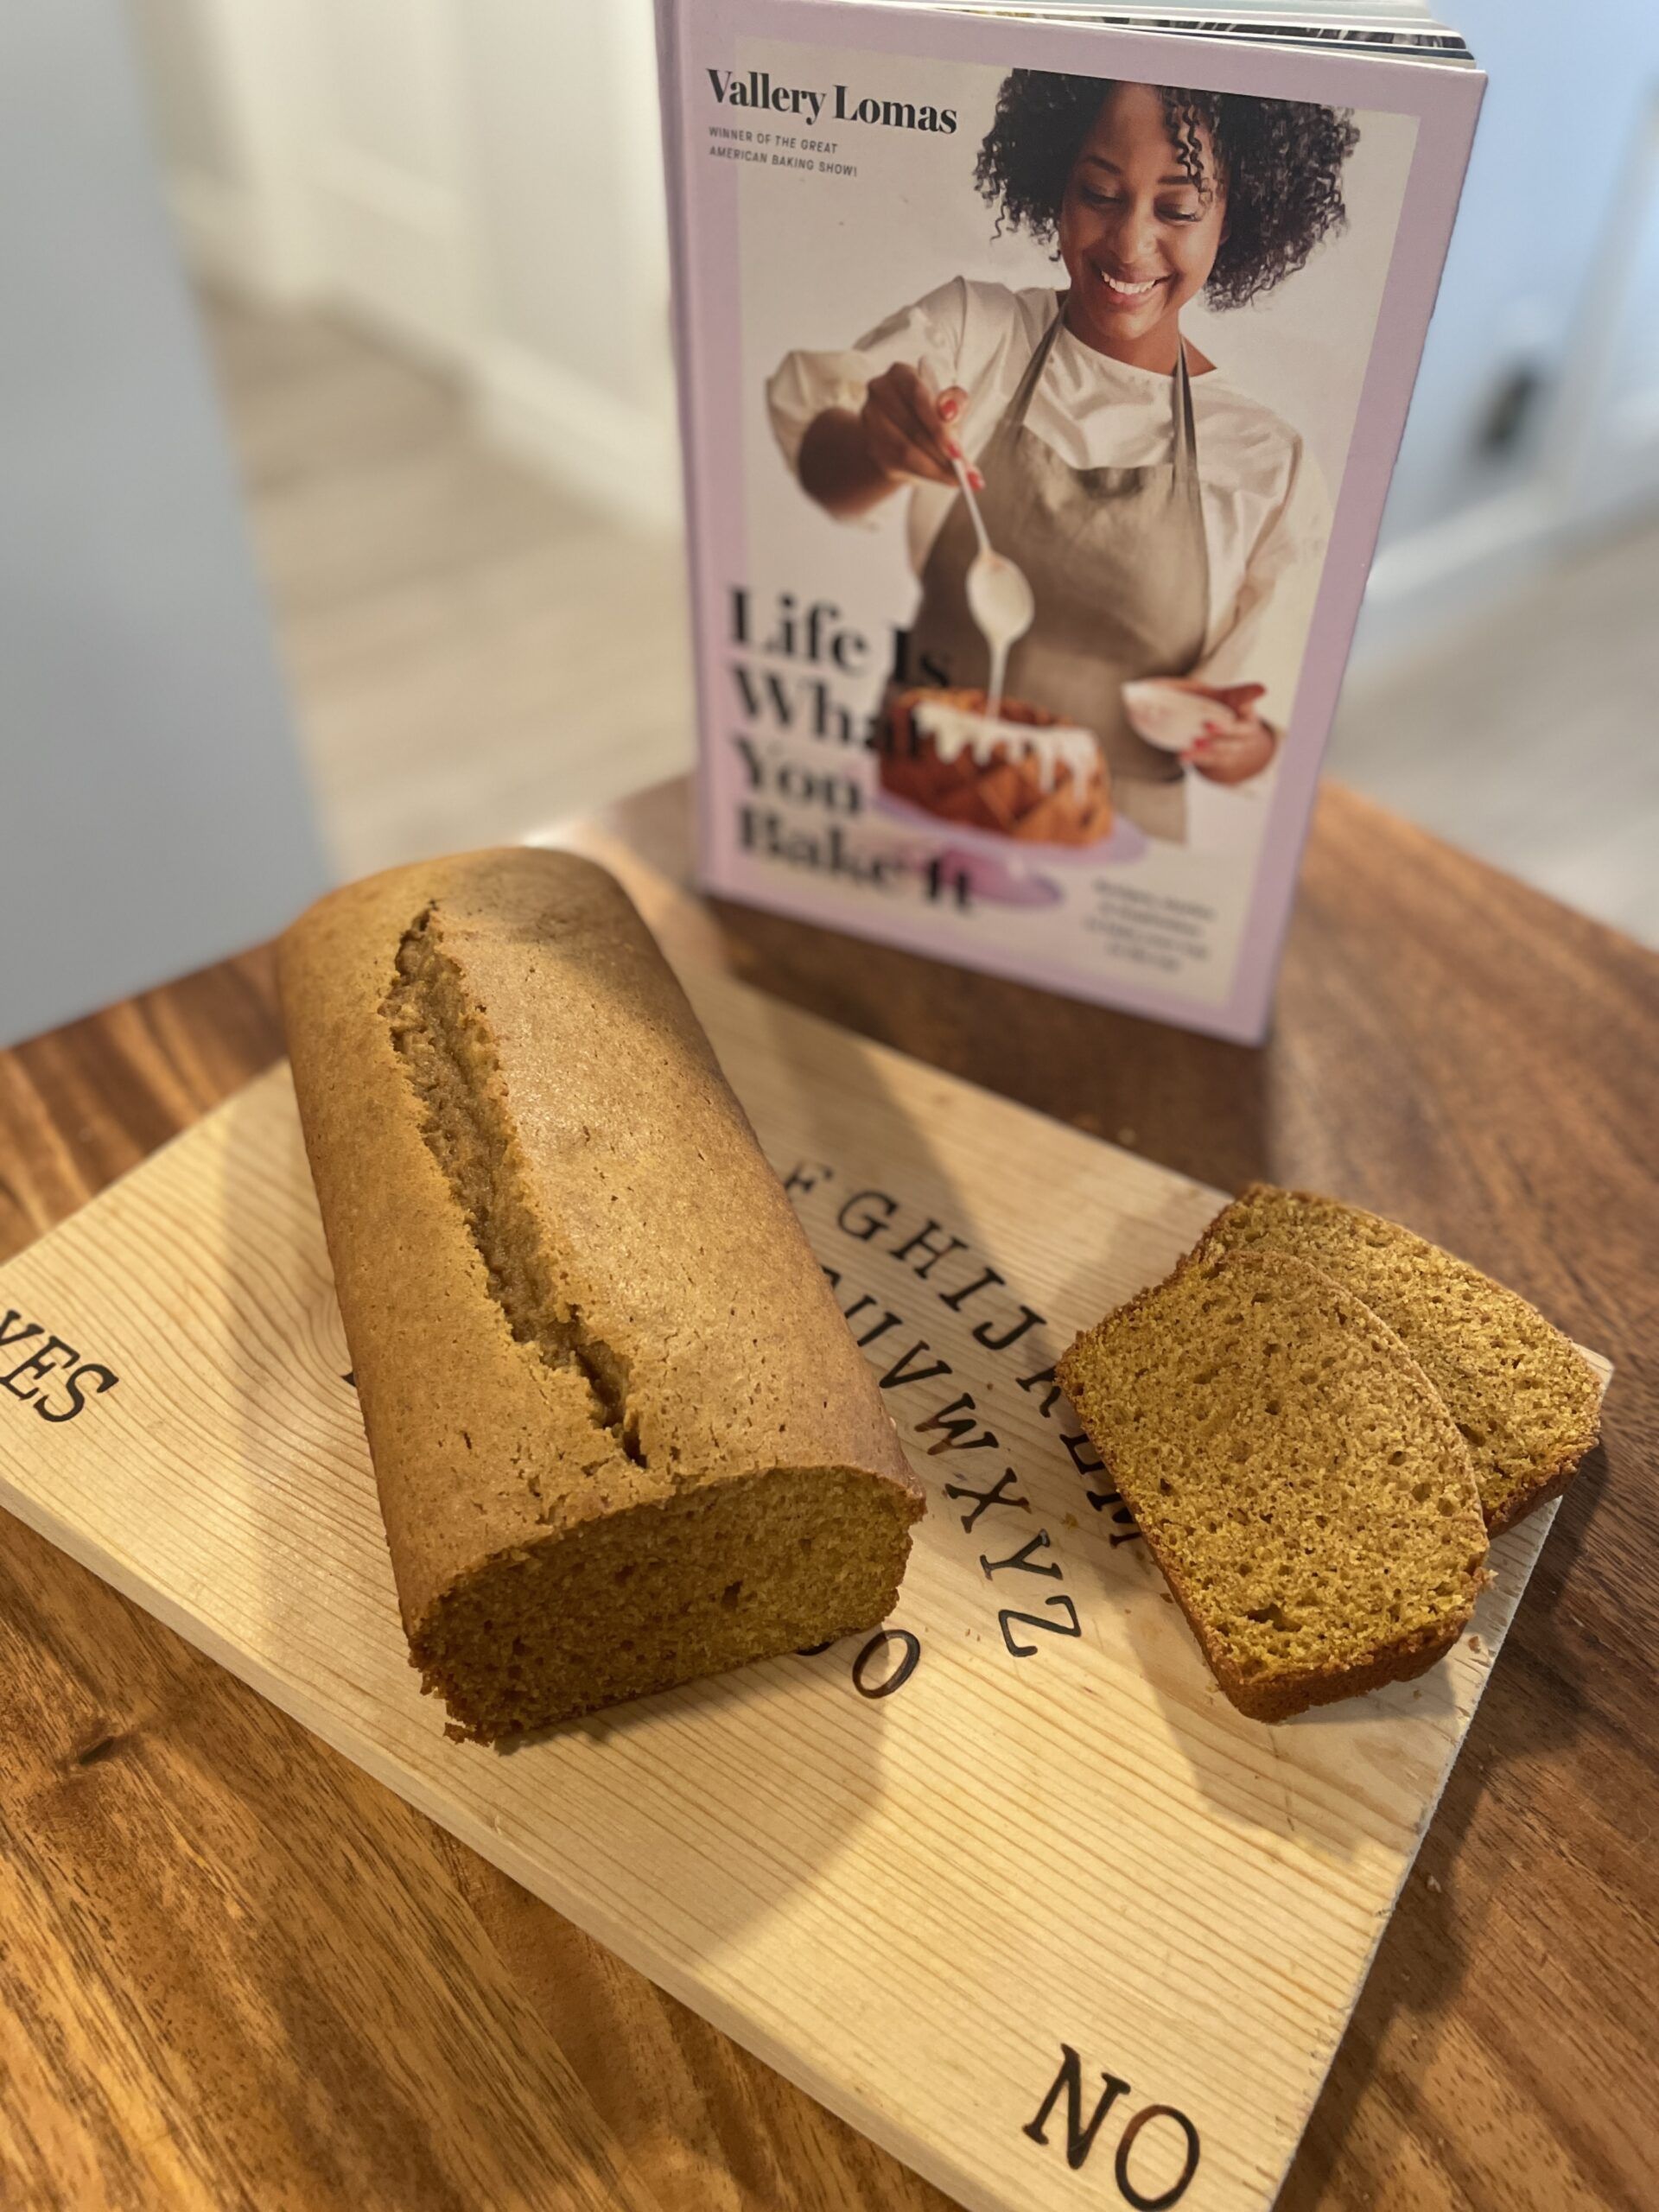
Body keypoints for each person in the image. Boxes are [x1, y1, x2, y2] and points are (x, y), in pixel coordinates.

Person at [767, 73, 1358, 840]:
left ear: (1233, 221)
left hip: (1115, 854)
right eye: (1100, 194)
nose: (1129, 242)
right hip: (914, 813)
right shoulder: (973, 336)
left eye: (1177, 209)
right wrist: (878, 447)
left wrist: (1235, 744)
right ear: (1055, 184)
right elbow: (827, 476)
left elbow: (1264, 733)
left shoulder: (1267, 464)